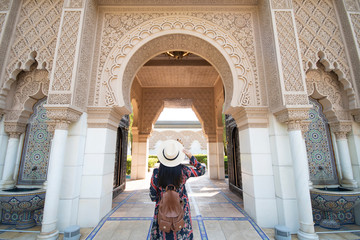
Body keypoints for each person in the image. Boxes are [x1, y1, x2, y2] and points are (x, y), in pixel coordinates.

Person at [149, 139, 206, 239]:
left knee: (163, 233)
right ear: (178, 156)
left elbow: (153, 196)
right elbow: (201, 170)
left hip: (163, 211)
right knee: (181, 233)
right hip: (181, 210)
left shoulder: (156, 173)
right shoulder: (184, 171)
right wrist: (191, 157)